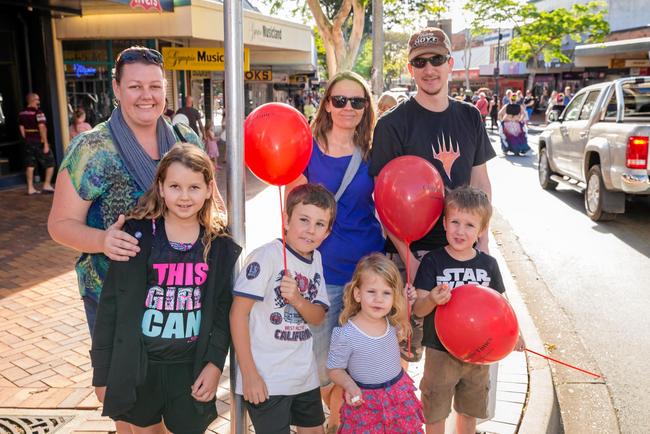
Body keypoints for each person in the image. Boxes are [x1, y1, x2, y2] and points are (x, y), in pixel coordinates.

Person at [48, 46, 206, 340]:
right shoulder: (91, 149)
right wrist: (102, 240)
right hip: (113, 295)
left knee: (176, 384)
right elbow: (59, 224)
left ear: (165, 89)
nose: (147, 95)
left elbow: (210, 206)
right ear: (117, 89)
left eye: (154, 86)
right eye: (135, 86)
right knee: (117, 386)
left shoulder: (187, 140)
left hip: (179, 298)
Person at [91, 143, 240, 434]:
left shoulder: (217, 244)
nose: (184, 196)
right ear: (160, 188)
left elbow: (223, 311)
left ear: (209, 189)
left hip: (190, 366)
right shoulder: (136, 236)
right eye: (175, 186)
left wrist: (214, 365)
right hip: (140, 366)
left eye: (194, 187)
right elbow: (110, 307)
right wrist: (103, 373)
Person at [370, 26, 495, 365]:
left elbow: (481, 184)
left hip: (462, 257)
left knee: (457, 359)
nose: (429, 69)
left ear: (450, 63)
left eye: (436, 60)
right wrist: (410, 259)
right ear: (410, 69)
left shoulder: (470, 116)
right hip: (411, 256)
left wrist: (480, 247)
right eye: (420, 62)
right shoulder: (392, 124)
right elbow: (382, 203)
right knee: (400, 358)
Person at [285, 70, 385, 433]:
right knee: (322, 365)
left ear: (365, 107)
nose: (348, 108)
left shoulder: (374, 150)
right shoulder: (305, 148)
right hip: (320, 276)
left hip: (366, 275)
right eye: (340, 100)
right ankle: (327, 420)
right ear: (327, 103)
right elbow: (293, 209)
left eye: (356, 102)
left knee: (358, 366)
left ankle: (339, 424)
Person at [412, 186, 525, 434]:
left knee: (469, 411)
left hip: (479, 353)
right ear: (444, 223)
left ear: (481, 231)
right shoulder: (433, 261)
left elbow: (502, 305)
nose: (460, 231)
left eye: (469, 225)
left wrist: (516, 334)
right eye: (455, 222)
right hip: (440, 353)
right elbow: (418, 310)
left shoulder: (488, 265)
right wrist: (432, 298)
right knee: (435, 411)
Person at [230, 184, 336, 434]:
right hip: (267, 378)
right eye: (304, 220)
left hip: (303, 376)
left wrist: (298, 300)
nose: (310, 230)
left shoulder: (317, 258)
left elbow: (318, 317)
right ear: (286, 220)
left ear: (328, 232)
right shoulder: (266, 256)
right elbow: (238, 313)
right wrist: (249, 375)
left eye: (320, 224)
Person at [326, 253, 424, 433]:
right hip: (365, 402)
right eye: (371, 291)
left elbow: (403, 327)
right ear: (357, 294)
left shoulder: (392, 322)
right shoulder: (346, 333)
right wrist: (349, 385)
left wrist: (406, 302)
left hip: (398, 397)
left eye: (386, 293)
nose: (379, 299)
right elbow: (334, 369)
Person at [18, 92, 56, 195]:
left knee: (30, 164)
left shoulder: (22, 114)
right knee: (50, 162)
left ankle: (30, 188)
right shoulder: (38, 113)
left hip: (28, 142)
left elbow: (21, 128)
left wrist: (26, 138)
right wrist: (46, 143)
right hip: (38, 141)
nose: (38, 102)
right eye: (37, 100)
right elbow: (42, 127)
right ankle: (47, 185)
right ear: (32, 101)